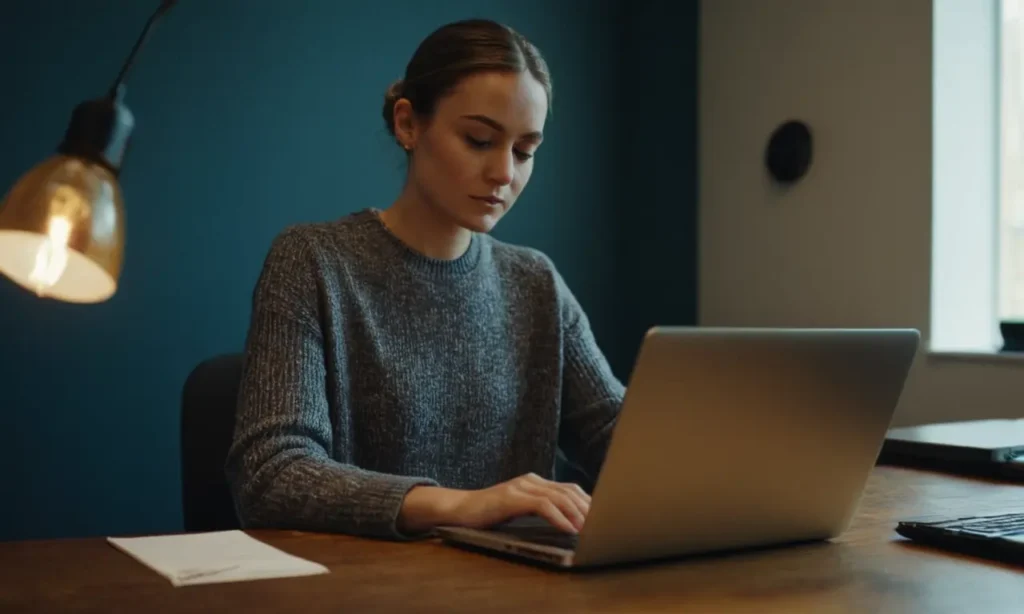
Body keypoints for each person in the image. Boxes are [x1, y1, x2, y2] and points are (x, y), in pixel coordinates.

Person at [224, 18, 625, 541]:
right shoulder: (313, 262)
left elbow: (621, 438)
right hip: (366, 589)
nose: (506, 173)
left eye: (525, 152)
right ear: (408, 124)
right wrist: (466, 506)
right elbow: (271, 475)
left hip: (517, 590)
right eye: (480, 140)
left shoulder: (536, 283)